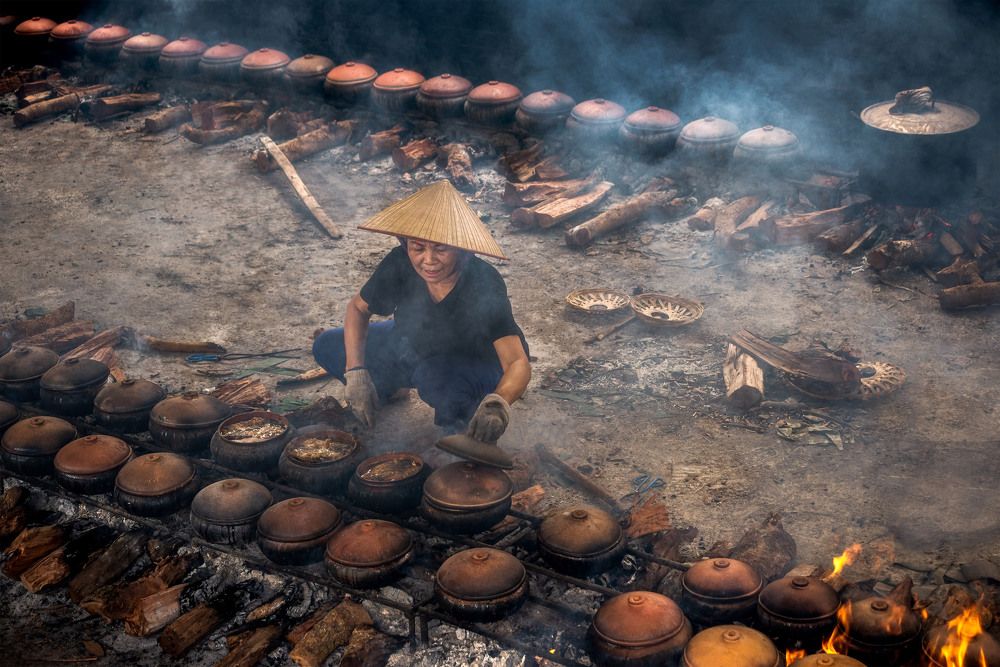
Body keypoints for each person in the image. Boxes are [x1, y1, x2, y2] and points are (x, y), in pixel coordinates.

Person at [312, 181, 530, 445]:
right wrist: (356, 372)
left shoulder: (483, 282)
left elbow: (517, 363)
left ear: (462, 249)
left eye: (441, 248)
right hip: (413, 345)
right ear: (406, 245)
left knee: (436, 380)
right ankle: (389, 390)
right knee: (328, 345)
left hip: (473, 363)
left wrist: (499, 403)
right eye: (418, 247)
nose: (428, 260)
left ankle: (464, 421)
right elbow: (358, 309)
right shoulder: (399, 263)